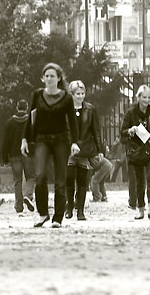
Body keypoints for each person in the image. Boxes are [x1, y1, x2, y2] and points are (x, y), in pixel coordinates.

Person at [22, 63, 80, 228]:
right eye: (46, 76)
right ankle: (43, 214)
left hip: (62, 139)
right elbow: (30, 118)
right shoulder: (37, 95)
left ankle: (58, 217)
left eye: (52, 76)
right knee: (40, 176)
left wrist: (75, 142)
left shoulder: (67, 98)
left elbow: (72, 122)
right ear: (43, 78)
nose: (48, 79)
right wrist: (25, 139)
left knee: (60, 179)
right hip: (42, 139)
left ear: (59, 78)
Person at [121, 85, 150, 220]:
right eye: (144, 97)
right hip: (136, 151)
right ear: (138, 97)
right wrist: (130, 130)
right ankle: (141, 209)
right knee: (139, 181)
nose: (147, 100)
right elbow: (122, 132)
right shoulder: (130, 113)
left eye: (149, 97)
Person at [65, 80, 104, 221]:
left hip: (85, 149)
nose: (80, 97)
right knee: (69, 179)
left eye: (82, 94)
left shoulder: (90, 109)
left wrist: (99, 150)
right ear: (72, 94)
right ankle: (69, 207)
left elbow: (96, 130)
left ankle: (80, 211)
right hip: (70, 150)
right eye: (78, 94)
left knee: (82, 181)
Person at [2, 99, 36, 215]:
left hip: (14, 154)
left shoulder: (9, 123)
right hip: (29, 153)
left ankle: (19, 205)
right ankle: (28, 195)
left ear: (17, 107)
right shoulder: (31, 122)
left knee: (17, 180)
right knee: (31, 177)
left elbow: (5, 142)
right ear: (27, 108)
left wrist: (4, 157)